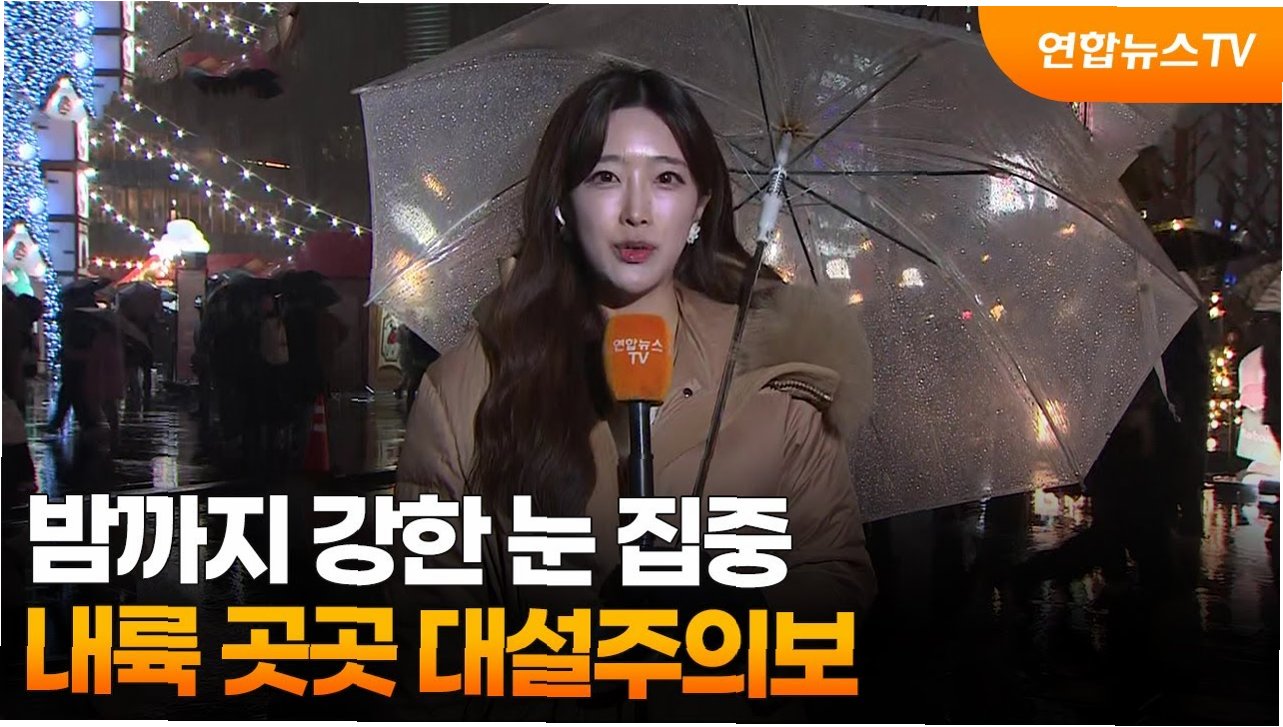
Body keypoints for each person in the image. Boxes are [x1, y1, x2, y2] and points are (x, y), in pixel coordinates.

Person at [389, 67, 877, 720]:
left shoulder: (772, 373)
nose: (637, 211)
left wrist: (730, 616)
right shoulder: (465, 390)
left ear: (701, 205)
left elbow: (838, 581)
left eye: (667, 178)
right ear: (562, 204)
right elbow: (426, 632)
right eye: (605, 176)